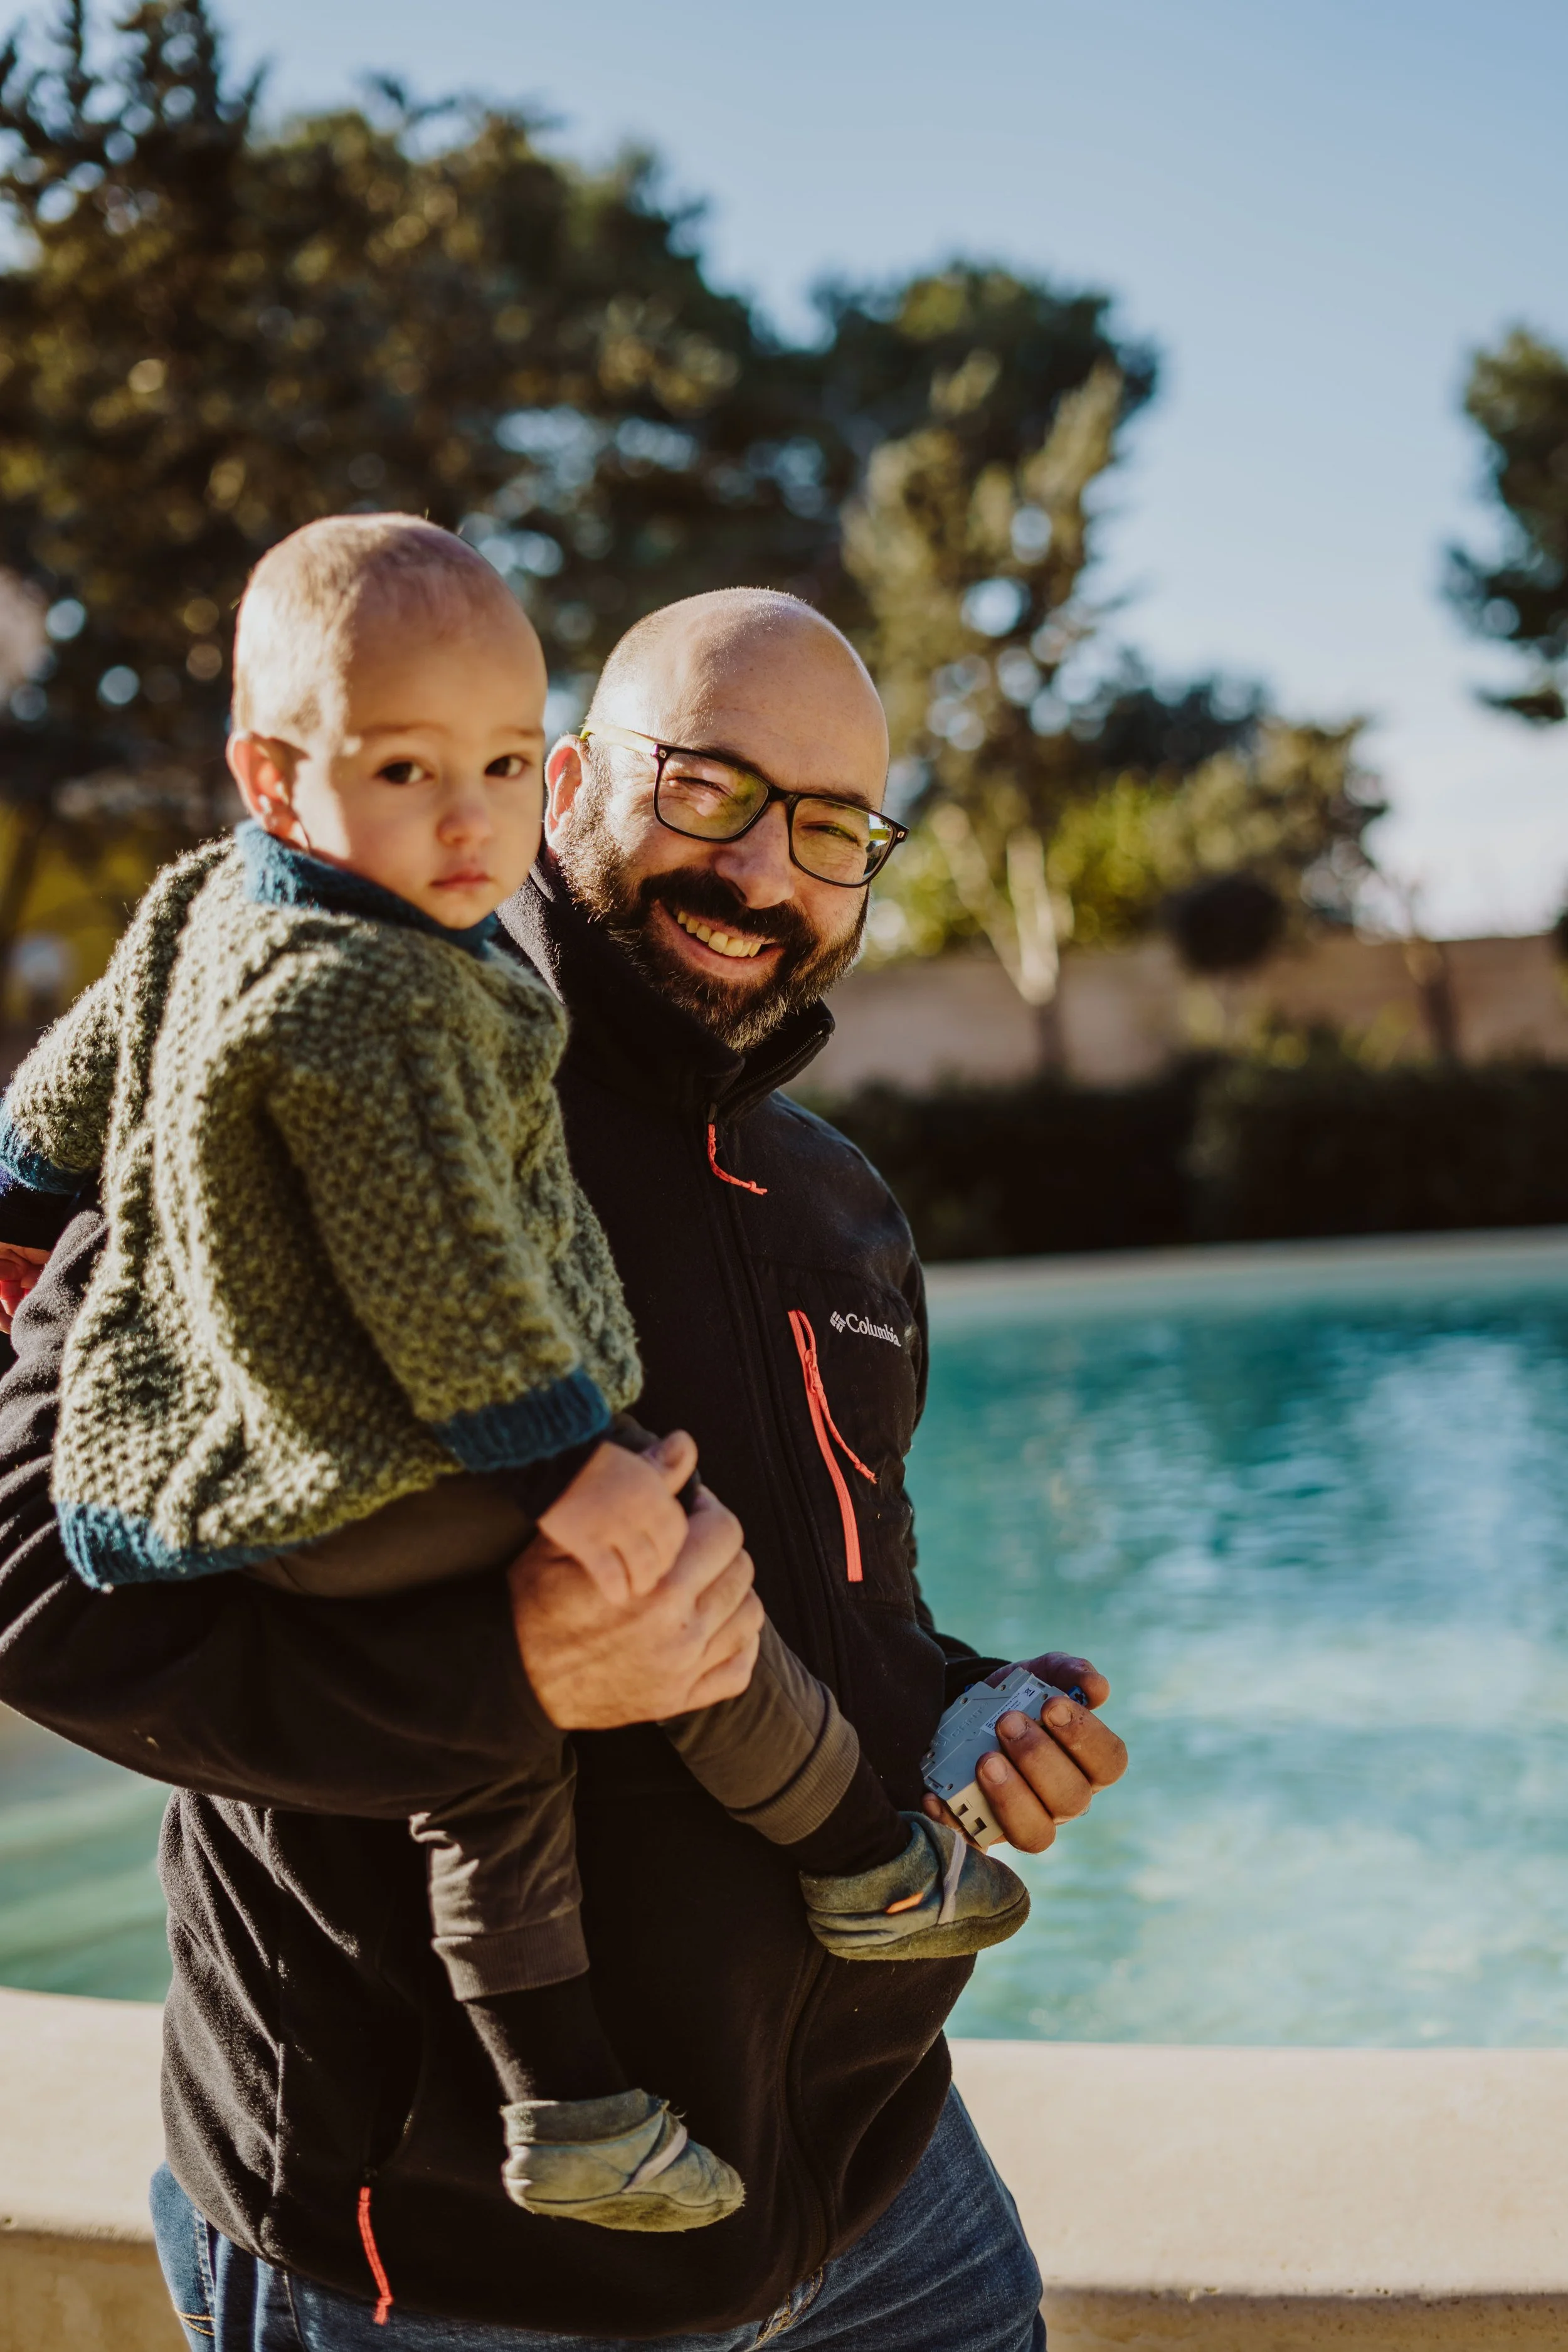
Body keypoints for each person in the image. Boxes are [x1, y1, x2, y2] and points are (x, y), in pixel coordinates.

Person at [0, 583, 1126, 2350]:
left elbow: (837, 1607)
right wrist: (503, 1675)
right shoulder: (319, 1061)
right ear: (573, 776)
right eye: (710, 790)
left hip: (882, 2194)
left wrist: (967, 1708)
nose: (764, 870)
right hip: (447, 2264)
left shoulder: (837, 1204)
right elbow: (29, 1590)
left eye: (829, 826)